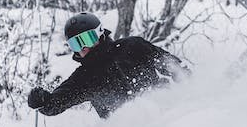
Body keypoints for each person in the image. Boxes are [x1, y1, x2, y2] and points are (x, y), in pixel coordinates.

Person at [27, 12, 186, 120]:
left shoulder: (132, 46)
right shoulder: (83, 77)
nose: (83, 48)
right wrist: (43, 102)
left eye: (87, 39)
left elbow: (170, 64)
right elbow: (57, 103)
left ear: (100, 33)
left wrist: (188, 81)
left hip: (166, 114)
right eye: (76, 44)